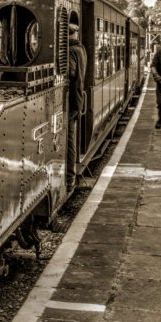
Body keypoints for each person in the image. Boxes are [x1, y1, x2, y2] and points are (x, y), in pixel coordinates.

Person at [66, 21, 87, 194]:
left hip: (72, 100)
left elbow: (71, 73)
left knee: (69, 139)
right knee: (70, 137)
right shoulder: (81, 49)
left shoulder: (71, 51)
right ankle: (71, 176)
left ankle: (69, 177)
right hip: (78, 98)